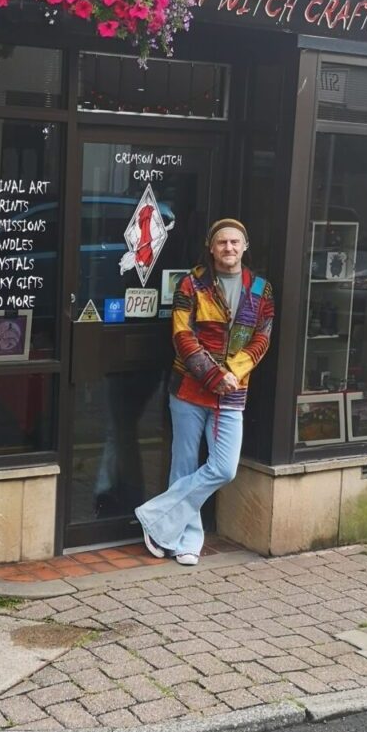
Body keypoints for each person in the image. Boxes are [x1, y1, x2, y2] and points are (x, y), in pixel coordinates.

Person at [135, 219, 273, 566]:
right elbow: (183, 336)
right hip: (188, 389)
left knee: (224, 468)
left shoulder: (261, 289)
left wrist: (234, 372)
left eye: (235, 242)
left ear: (245, 246)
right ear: (211, 247)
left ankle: (155, 516)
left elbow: (262, 337)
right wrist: (214, 375)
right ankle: (185, 540)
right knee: (183, 466)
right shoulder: (191, 284)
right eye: (222, 242)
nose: (229, 248)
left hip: (233, 391)